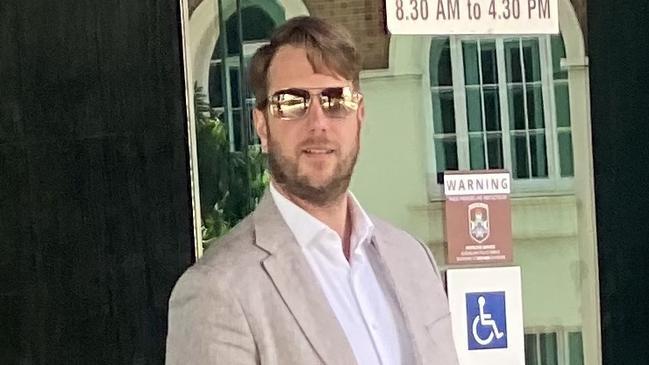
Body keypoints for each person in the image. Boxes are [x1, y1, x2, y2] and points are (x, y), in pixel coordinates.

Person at [166, 16, 459, 365]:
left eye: (335, 100)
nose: (318, 122)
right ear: (262, 124)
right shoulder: (217, 292)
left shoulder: (413, 259)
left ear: (359, 116)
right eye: (292, 102)